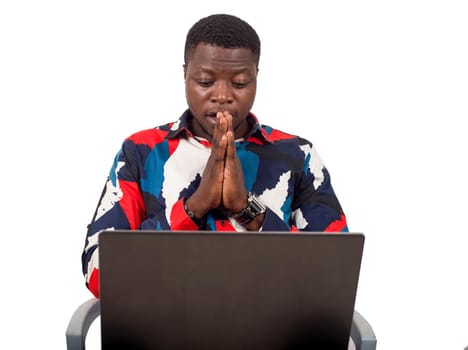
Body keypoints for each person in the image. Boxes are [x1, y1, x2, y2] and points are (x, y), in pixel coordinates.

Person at [82, 13, 348, 297]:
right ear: (185, 74)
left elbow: (333, 277)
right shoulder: (140, 152)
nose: (222, 96)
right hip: (165, 333)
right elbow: (100, 275)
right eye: (206, 81)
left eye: (240, 82)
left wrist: (247, 209)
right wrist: (193, 206)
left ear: (257, 76)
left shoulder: (297, 155)